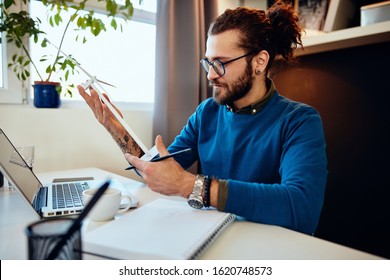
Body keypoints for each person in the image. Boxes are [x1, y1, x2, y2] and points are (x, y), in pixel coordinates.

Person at [77, 0, 327, 235]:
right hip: (210, 238)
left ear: (259, 62)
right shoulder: (208, 112)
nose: (210, 76)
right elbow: (159, 172)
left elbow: (302, 207)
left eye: (220, 63)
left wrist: (191, 186)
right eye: (208, 63)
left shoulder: (299, 121)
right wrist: (115, 127)